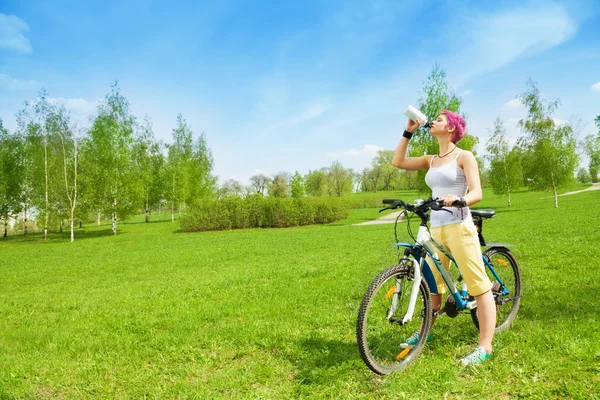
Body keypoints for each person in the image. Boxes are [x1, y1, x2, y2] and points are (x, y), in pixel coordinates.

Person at [391, 110, 496, 366]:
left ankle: (485, 346)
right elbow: (398, 161)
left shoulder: (464, 156)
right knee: (434, 287)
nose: (434, 121)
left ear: (451, 128)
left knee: (479, 287)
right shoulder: (432, 159)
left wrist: (462, 199)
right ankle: (424, 331)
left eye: (439, 118)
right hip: (435, 229)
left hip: (459, 226)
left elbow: (477, 191)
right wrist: (408, 131)